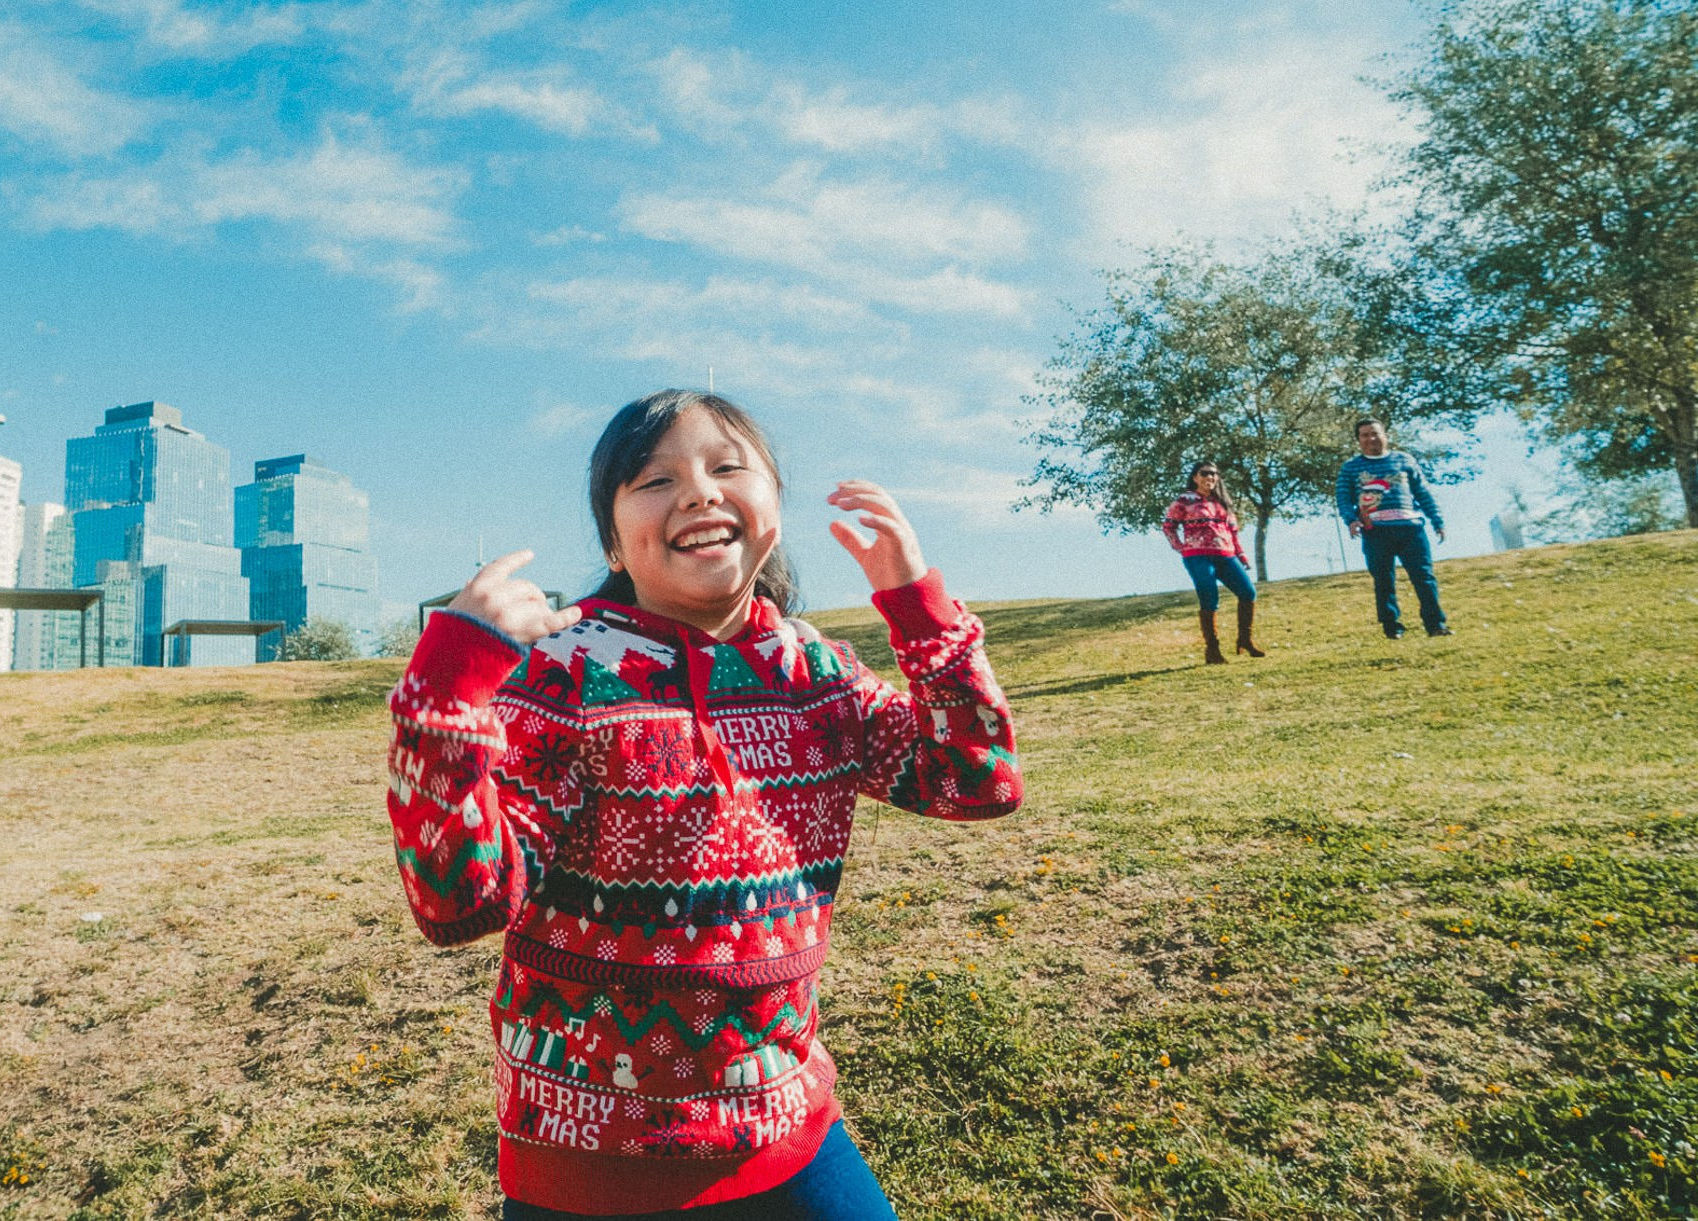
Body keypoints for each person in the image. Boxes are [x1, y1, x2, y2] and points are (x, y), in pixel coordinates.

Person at [385, 389, 1023, 1220]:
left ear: (773, 513)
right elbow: (457, 901)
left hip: (788, 1125)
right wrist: (445, 691)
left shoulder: (815, 675)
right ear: (615, 541)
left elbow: (977, 779)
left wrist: (918, 609)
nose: (698, 491)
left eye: (728, 467)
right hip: (589, 1165)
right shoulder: (565, 674)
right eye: (654, 479)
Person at [1335, 417, 1451, 639]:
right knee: (1383, 579)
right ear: (1358, 440)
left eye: (1375, 433)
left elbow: (1423, 492)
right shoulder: (1350, 468)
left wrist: (1437, 520)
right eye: (1365, 435)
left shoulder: (1404, 460)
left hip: (1410, 528)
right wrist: (1351, 520)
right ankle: (1391, 626)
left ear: (1385, 435)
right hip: (1375, 530)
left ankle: (1435, 624)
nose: (1371, 439)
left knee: (1424, 577)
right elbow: (1342, 498)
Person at [1160, 461, 1263, 664]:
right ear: (1195, 477)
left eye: (1214, 474)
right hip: (1197, 555)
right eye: (1205, 473)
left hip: (1226, 555)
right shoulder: (1184, 500)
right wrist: (1179, 546)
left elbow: (1233, 532)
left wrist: (1241, 555)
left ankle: (1245, 640)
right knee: (1208, 594)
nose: (1210, 477)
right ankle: (1213, 650)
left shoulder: (1223, 503)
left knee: (1248, 592)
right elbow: (1168, 526)